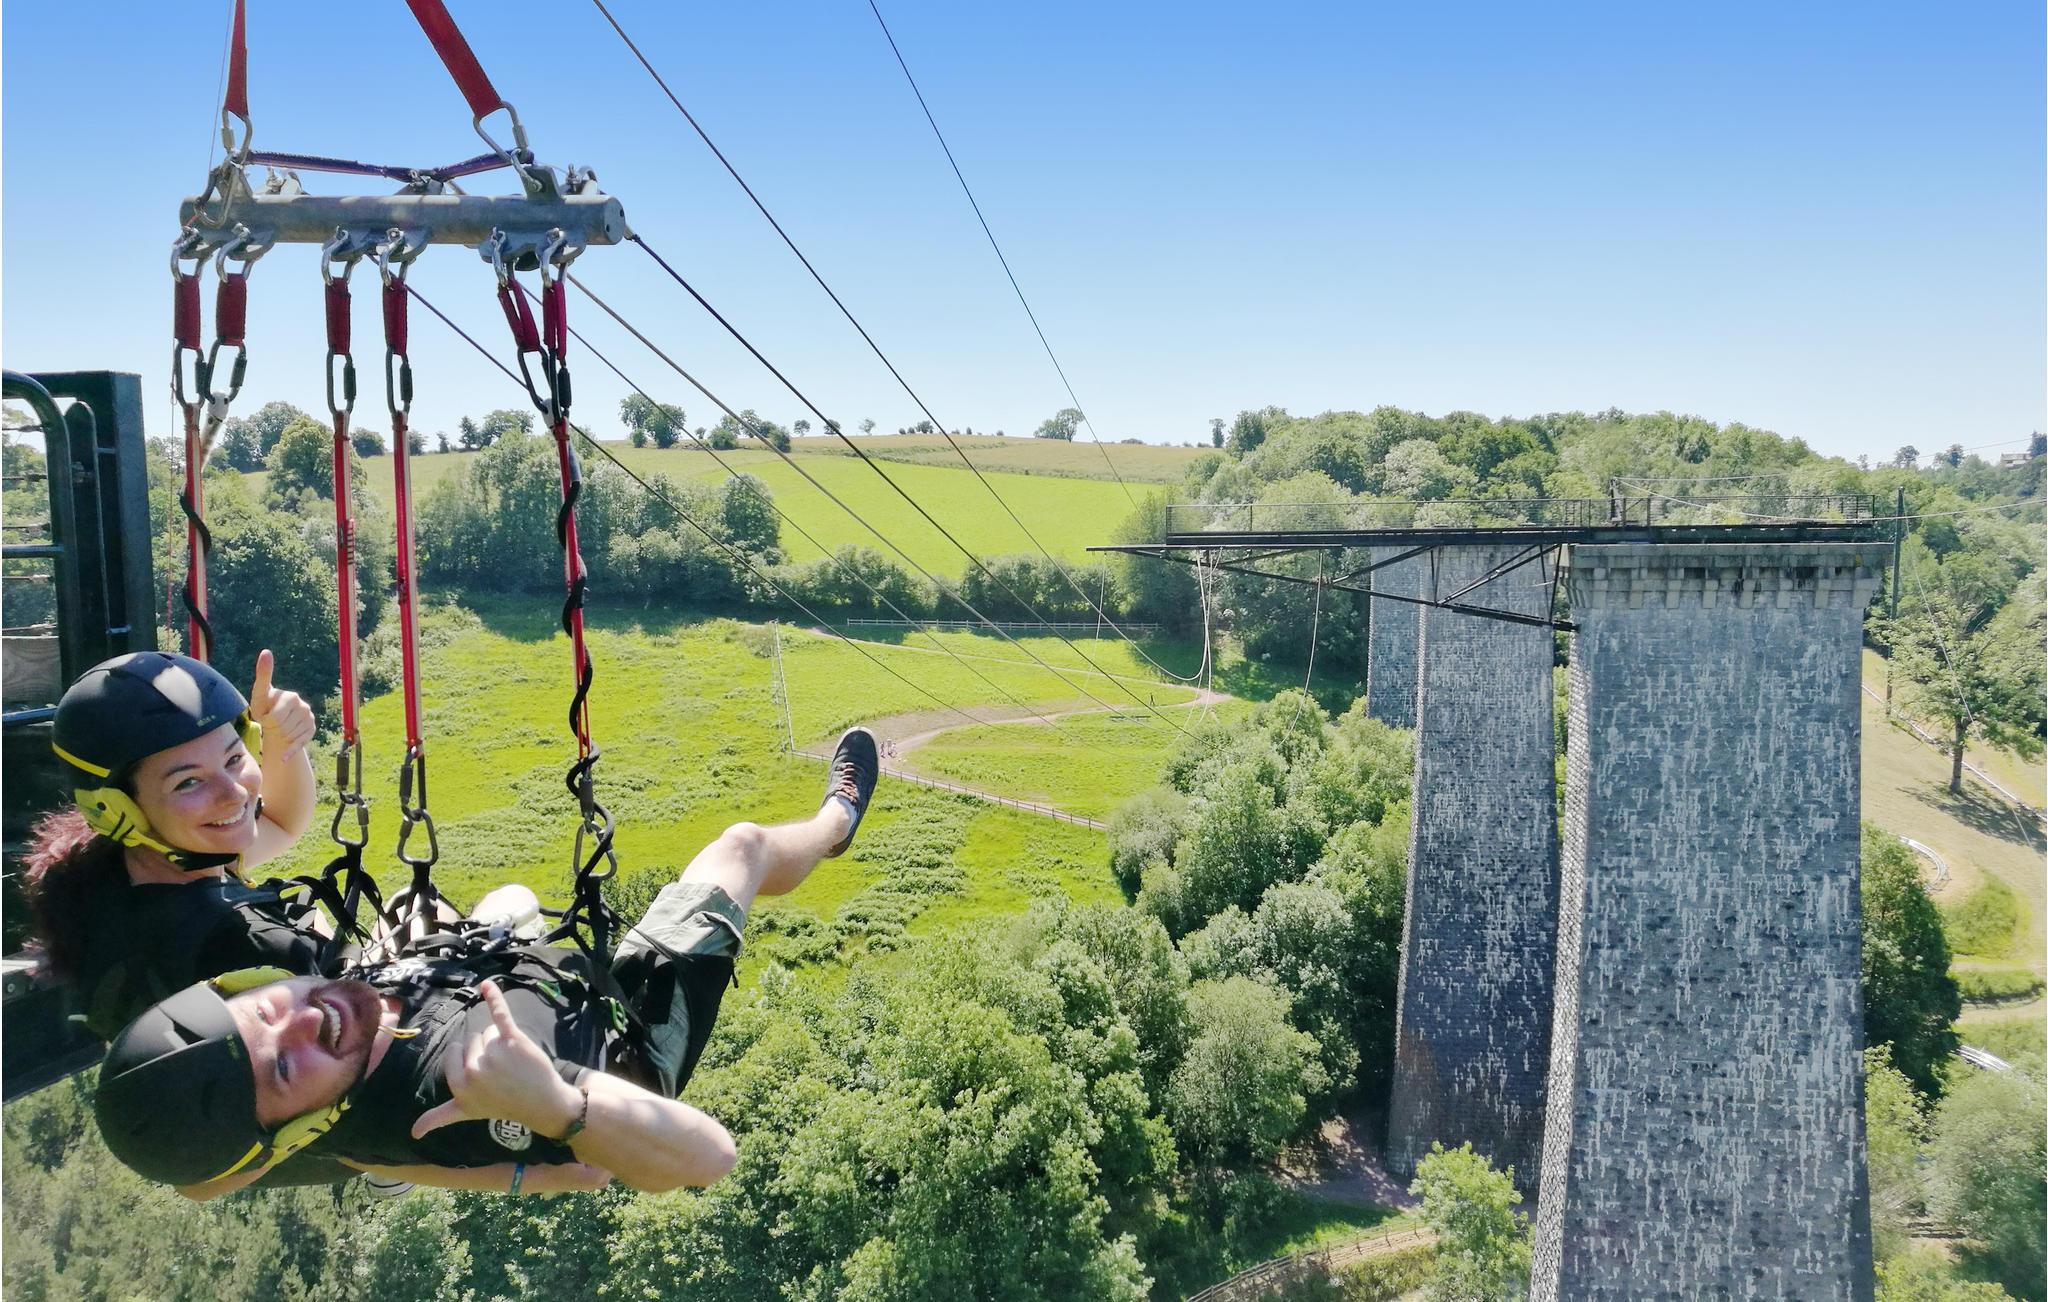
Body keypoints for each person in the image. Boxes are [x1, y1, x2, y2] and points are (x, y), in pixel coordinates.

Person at [93, 728, 882, 1200]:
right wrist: (556, 1108)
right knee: (740, 850)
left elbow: (200, 1183)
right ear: (296, 1128)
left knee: (454, 908)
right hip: (622, 1044)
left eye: (268, 1012)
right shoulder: (457, 1084)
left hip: (490, 979)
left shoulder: (312, 1109)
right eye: (286, 1069)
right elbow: (708, 1159)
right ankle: (835, 823)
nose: (307, 1019)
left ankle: (451, 972)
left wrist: (456, 1173)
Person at [22, 649, 324, 1039]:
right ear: (118, 808)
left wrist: (282, 739)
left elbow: (281, 823)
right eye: (188, 782)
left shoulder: (112, 873)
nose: (234, 793)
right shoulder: (248, 949)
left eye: (234, 758)